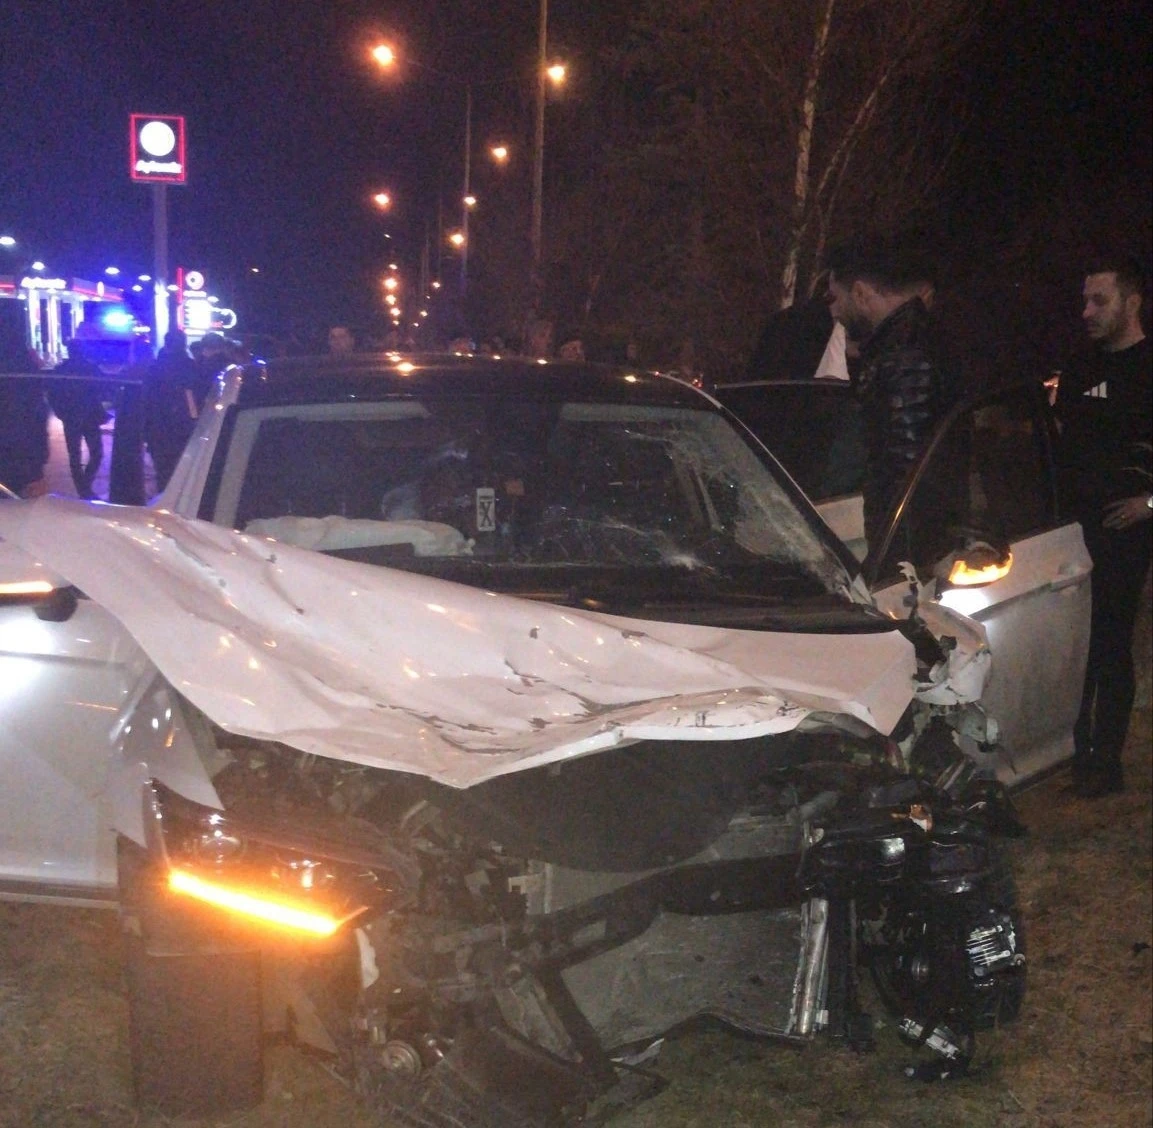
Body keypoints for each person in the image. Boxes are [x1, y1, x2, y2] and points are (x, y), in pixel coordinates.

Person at [1056, 254, 1152, 799]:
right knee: (1073, 642)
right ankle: (1068, 748)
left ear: (1132, 302)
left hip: (1123, 531)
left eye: (1100, 300)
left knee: (1111, 639)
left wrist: (1150, 504)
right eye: (1084, 301)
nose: (1087, 312)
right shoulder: (1079, 369)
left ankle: (1104, 760)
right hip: (1072, 528)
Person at [823, 232, 956, 568]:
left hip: (908, 562)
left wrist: (895, 566)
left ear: (860, 293)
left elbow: (907, 476)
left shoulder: (902, 357)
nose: (833, 310)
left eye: (835, 297)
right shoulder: (902, 347)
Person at [47, 337, 108, 500]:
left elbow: (52, 394)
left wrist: (61, 412)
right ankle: (85, 488)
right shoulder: (89, 368)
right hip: (89, 416)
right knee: (96, 453)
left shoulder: (61, 370)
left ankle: (83, 488)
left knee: (75, 455)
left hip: (72, 417)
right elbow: (104, 387)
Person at [142, 328, 199, 493]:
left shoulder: (155, 368)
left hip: (158, 426)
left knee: (162, 471)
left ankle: (163, 497)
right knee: (183, 470)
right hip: (184, 424)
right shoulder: (191, 367)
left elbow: (147, 399)